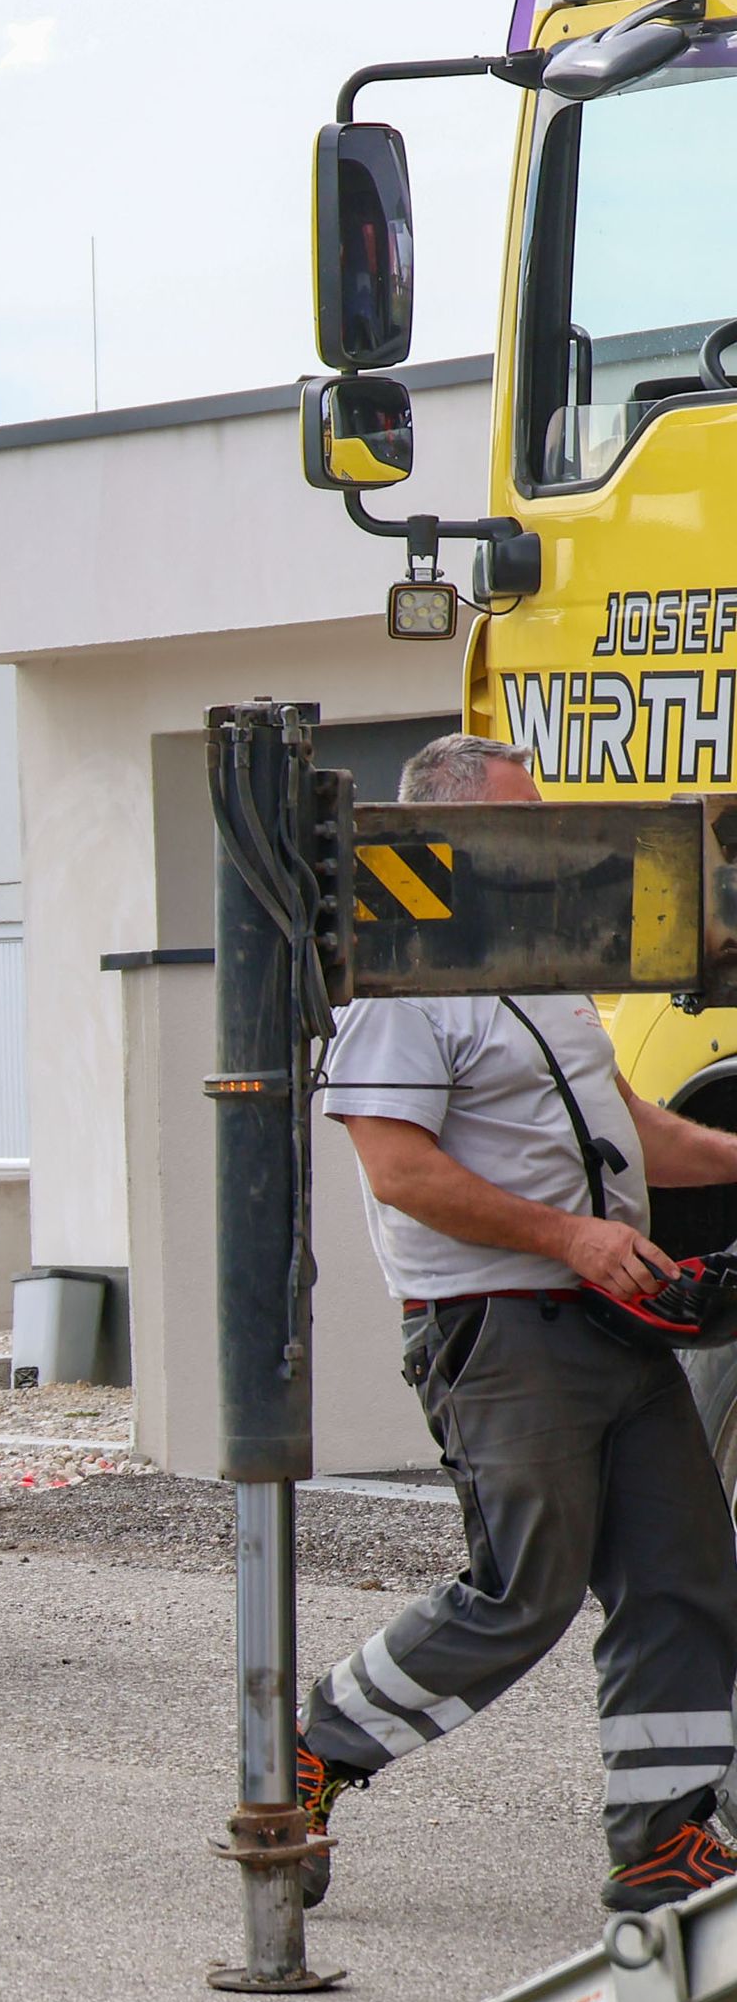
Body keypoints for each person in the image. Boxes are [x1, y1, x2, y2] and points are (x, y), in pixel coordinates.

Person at [303, 732, 737, 1915]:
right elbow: (397, 1169)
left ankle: (660, 1841)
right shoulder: (400, 983)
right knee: (521, 1591)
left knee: (683, 1571)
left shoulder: (538, 962)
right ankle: (314, 1744)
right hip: (498, 1323)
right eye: (520, 818)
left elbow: (620, 1118)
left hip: (605, 1316)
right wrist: (570, 1236)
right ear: (449, 835)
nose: (543, 837)